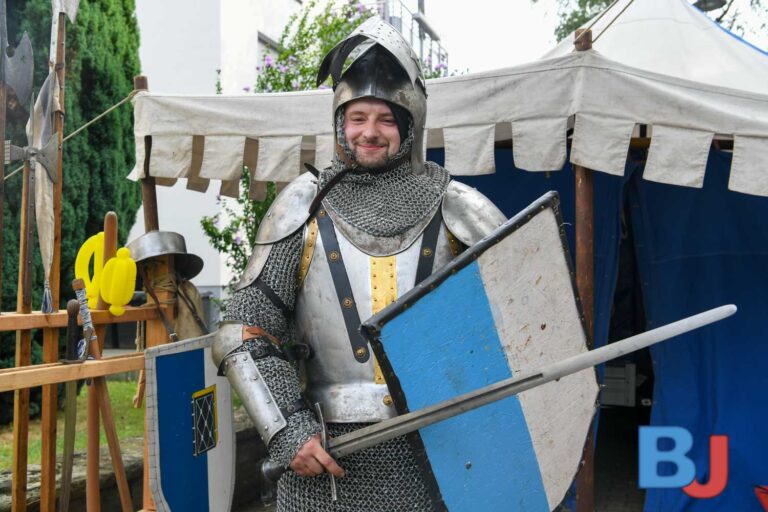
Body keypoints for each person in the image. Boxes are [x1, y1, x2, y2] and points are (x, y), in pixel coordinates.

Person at [212, 18, 506, 512]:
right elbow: (241, 332)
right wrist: (287, 429)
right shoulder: (302, 207)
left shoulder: (460, 210)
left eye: (386, 119)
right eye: (357, 117)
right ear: (339, 123)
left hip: (446, 450)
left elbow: (521, 324)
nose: (369, 132)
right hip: (328, 460)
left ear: (409, 126)